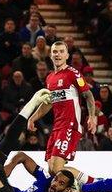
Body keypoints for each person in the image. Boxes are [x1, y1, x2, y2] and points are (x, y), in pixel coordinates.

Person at [27, 42, 96, 180]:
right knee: (52, 169)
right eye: (55, 52)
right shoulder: (50, 78)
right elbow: (49, 103)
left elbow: (88, 95)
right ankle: (91, 184)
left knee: (58, 168)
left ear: (67, 55)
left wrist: (92, 117)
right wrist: (33, 117)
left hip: (70, 125)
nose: (58, 54)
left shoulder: (73, 73)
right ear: (50, 55)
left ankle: (88, 190)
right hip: (57, 127)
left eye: (61, 51)